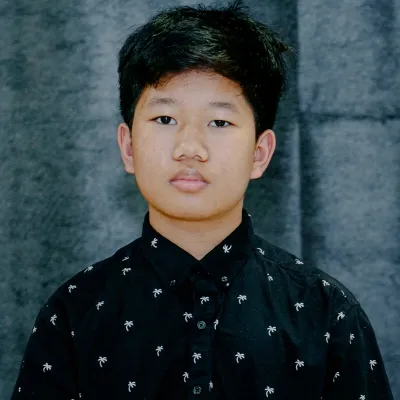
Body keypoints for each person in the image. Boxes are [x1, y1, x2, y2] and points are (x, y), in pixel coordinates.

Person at [10, 0, 394, 399]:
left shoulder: (326, 312)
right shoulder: (75, 312)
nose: (190, 148)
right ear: (128, 146)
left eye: (220, 121)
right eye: (165, 119)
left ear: (259, 153)